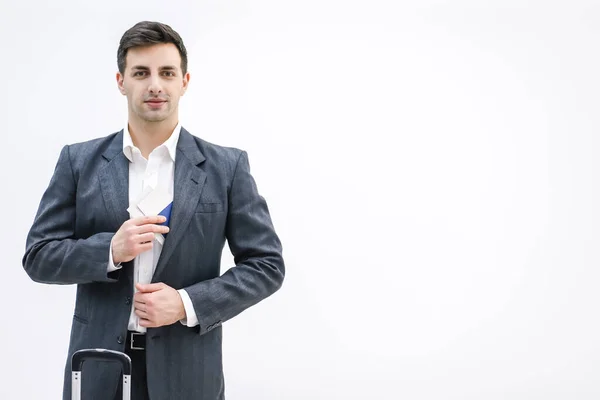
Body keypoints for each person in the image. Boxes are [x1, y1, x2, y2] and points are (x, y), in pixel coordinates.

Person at [22, 20, 285, 400]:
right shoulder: (78, 162)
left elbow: (266, 265)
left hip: (187, 374)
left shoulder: (226, 168)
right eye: (141, 73)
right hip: (97, 369)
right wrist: (110, 251)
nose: (155, 85)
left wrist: (185, 303)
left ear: (185, 81)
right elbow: (38, 256)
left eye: (166, 72)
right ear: (121, 81)